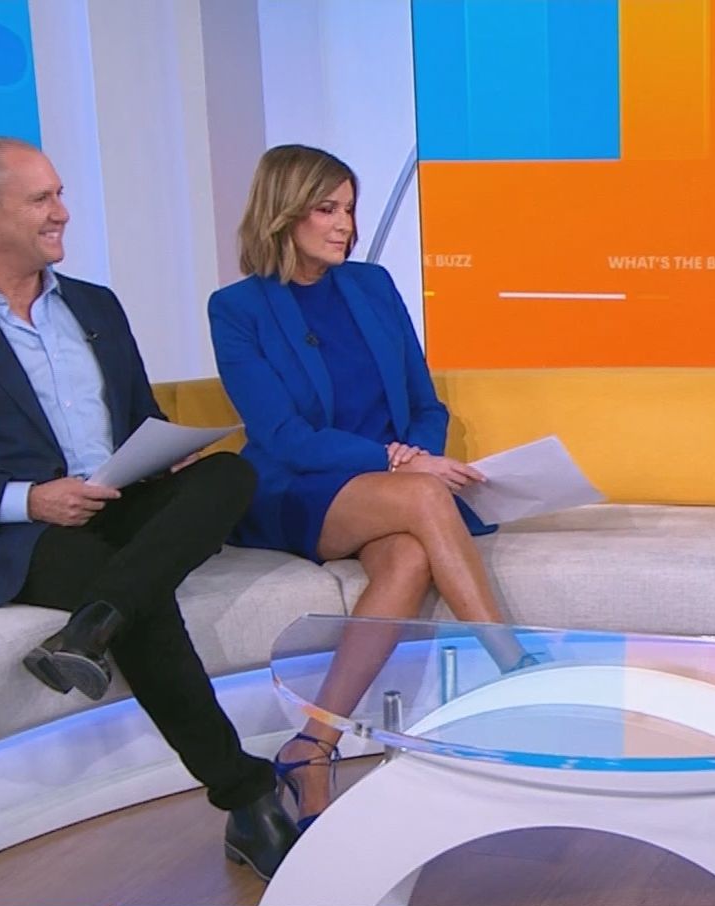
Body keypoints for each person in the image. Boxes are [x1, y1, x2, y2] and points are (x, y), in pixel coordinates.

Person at [0, 136, 300, 881]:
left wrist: (162, 454)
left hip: (118, 499)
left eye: (59, 194)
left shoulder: (94, 305)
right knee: (140, 594)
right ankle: (246, 796)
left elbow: (137, 419)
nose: (62, 212)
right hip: (17, 532)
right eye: (42, 199)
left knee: (229, 476)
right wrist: (30, 499)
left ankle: (92, 626)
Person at [207, 145, 525, 825]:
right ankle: (515, 667)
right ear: (283, 212)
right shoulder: (238, 309)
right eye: (326, 209)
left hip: (393, 485)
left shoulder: (371, 286)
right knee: (424, 496)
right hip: (300, 487)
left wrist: (418, 454)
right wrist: (399, 462)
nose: (344, 226)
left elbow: (425, 403)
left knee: (409, 555)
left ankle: (312, 744)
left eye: (349, 209)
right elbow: (283, 434)